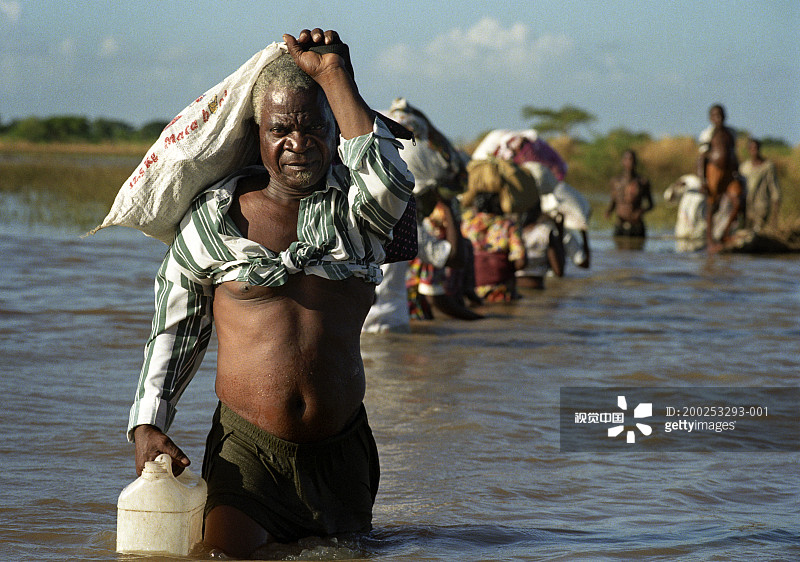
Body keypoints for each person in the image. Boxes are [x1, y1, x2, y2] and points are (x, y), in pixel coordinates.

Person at [127, 29, 414, 558]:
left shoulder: (359, 215)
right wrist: (148, 422)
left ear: (336, 130)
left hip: (343, 453)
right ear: (256, 134)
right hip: (248, 453)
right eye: (280, 129)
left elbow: (390, 183)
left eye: (315, 127)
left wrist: (335, 76)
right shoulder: (214, 221)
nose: (298, 143)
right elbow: (175, 331)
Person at [460, 192, 526, 302]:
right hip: (501, 293)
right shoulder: (508, 225)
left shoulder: (466, 225)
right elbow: (520, 262)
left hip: (472, 293)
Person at [697, 104, 745, 247]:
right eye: (715, 115)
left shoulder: (731, 133)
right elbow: (702, 158)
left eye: (721, 115)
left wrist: (737, 172)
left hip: (729, 173)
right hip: (714, 171)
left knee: (737, 200)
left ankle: (725, 234)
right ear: (711, 118)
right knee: (711, 204)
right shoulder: (708, 134)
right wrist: (703, 180)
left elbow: (733, 153)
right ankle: (710, 240)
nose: (719, 118)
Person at [515, 203, 565, 290]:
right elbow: (558, 271)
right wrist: (560, 233)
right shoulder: (546, 231)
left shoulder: (512, 230)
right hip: (536, 287)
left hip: (515, 288)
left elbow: (519, 264)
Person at [605, 150, 654, 238]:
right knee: (619, 245)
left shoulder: (642, 182)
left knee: (638, 246)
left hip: (637, 224)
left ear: (635, 162)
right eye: (627, 159)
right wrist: (609, 211)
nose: (629, 162)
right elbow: (613, 201)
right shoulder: (615, 181)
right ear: (622, 161)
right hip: (620, 223)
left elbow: (651, 205)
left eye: (631, 159)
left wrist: (641, 211)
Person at [740, 138, 781, 232]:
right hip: (747, 207)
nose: (754, 150)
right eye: (751, 148)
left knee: (758, 232)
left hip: (761, 206)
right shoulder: (744, 167)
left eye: (756, 148)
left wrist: (775, 216)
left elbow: (774, 189)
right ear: (748, 150)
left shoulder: (767, 167)